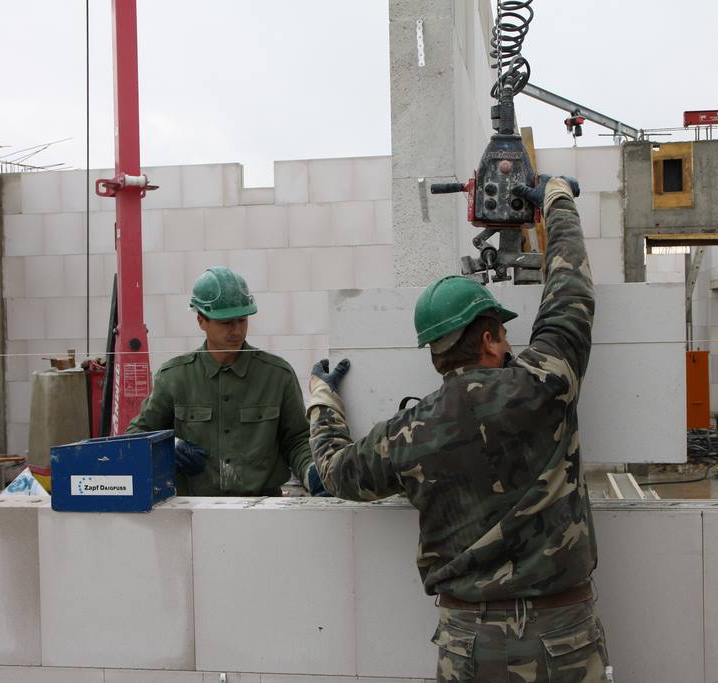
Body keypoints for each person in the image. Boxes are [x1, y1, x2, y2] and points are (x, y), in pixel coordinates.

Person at [306, 176, 611, 681]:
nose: (510, 344)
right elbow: (570, 290)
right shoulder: (543, 384)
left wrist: (323, 400)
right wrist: (556, 200)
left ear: (435, 352)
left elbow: (335, 471)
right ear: (489, 340)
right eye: (504, 334)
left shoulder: (408, 434)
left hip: (468, 641)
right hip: (563, 635)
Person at [127, 266, 326, 497]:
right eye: (226, 322)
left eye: (242, 320)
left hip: (263, 506)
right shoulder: (174, 377)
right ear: (201, 321)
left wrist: (314, 472)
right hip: (193, 509)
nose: (237, 330)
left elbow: (297, 440)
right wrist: (170, 447)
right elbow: (135, 436)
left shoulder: (277, 376)